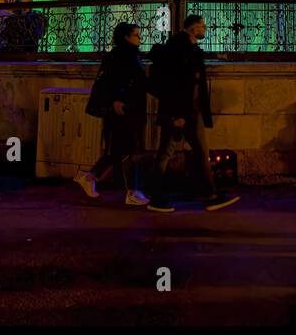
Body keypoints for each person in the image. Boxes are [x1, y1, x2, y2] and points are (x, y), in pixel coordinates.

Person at [147, 15, 238, 212]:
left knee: (198, 151)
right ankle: (155, 197)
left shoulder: (189, 49)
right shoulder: (180, 49)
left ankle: (209, 192)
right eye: (202, 26)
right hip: (181, 112)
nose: (205, 28)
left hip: (190, 111)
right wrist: (178, 114)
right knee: (166, 152)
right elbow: (178, 85)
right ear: (193, 28)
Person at [76, 22, 149, 206]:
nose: (139, 38)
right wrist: (115, 101)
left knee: (119, 151)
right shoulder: (119, 57)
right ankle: (132, 191)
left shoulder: (131, 56)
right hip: (122, 110)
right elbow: (108, 83)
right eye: (136, 35)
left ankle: (91, 176)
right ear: (126, 36)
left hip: (131, 109)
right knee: (131, 151)